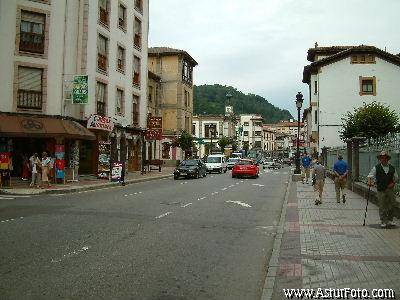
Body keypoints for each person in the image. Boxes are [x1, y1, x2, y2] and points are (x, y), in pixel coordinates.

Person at [367, 151, 398, 228]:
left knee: (392, 204)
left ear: (387, 159)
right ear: (380, 159)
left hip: (390, 189)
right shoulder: (376, 167)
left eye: (385, 158)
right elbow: (370, 176)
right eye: (381, 158)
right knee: (382, 205)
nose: (383, 159)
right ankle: (383, 220)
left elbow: (396, 177)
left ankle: (390, 219)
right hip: (380, 189)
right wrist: (370, 182)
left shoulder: (392, 168)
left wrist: (393, 183)